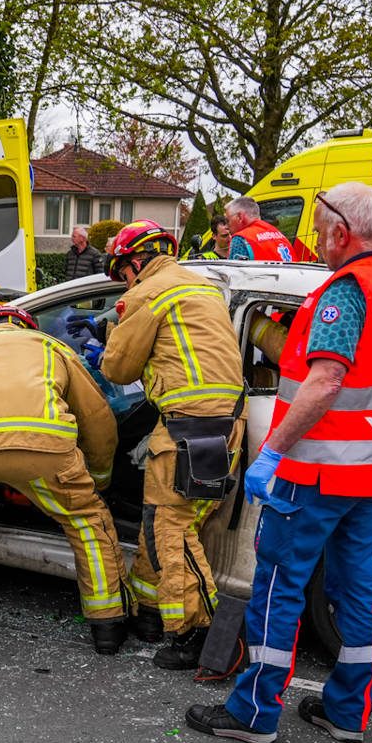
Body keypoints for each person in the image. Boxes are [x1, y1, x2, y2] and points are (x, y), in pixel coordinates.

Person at [187, 182, 372, 743]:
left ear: (341, 232)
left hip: (315, 474)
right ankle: (347, 712)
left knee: (279, 585)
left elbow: (325, 381)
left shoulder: (347, 291)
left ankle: (255, 712)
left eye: (322, 228)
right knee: (360, 588)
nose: (318, 240)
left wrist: (272, 450)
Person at [0, 305, 129, 653]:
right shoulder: (53, 348)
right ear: (28, 326)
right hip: (42, 449)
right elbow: (97, 418)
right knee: (86, 519)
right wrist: (100, 477)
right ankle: (106, 625)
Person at [92, 221, 246, 669]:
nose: (124, 281)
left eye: (122, 271)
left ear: (135, 261)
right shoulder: (202, 286)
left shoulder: (147, 292)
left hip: (185, 430)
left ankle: (202, 635)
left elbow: (119, 371)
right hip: (223, 424)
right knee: (161, 522)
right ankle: (151, 615)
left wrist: (103, 343)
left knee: (171, 532)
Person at [224, 197, 295, 263]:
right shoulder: (278, 234)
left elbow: (235, 273)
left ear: (239, 217)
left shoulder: (240, 239)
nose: (226, 226)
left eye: (227, 220)